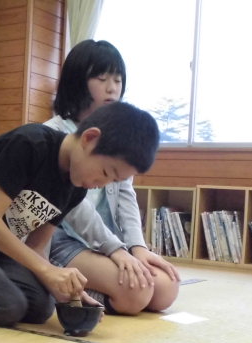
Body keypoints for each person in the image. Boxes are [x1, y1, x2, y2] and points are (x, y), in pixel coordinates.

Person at [0, 101, 160, 328]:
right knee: (6, 306)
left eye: (112, 181)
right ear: (89, 138)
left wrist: (65, 290)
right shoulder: (31, 144)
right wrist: (48, 271)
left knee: (41, 307)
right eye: (106, 172)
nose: (101, 184)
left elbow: (36, 247)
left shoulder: (75, 188)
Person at [45, 39, 180, 315]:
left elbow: (126, 195)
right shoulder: (54, 133)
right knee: (136, 293)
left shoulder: (118, 134)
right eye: (101, 78)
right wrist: (115, 250)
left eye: (118, 80)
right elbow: (73, 206)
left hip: (107, 240)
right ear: (77, 81)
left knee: (166, 288)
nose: (112, 88)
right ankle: (68, 293)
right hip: (62, 240)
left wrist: (137, 247)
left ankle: (90, 287)